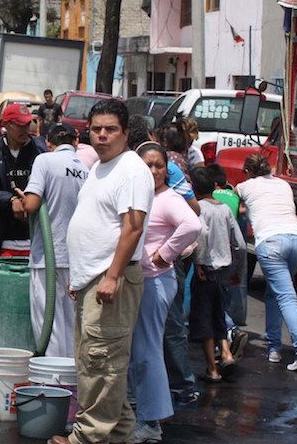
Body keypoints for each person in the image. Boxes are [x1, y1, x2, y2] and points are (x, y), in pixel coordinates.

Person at [49, 99, 154, 444]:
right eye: (96, 129)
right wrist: (80, 278)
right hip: (92, 280)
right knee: (97, 362)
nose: (103, 135)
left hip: (113, 280)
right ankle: (119, 432)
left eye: (110, 129)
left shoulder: (132, 169)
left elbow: (133, 228)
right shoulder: (99, 168)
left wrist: (111, 276)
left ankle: (87, 438)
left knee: (101, 364)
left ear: (125, 133)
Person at [129, 142, 200, 443]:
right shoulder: (141, 196)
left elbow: (193, 224)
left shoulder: (167, 198)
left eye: (159, 165)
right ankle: (141, 412)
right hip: (141, 281)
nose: (155, 171)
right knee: (139, 350)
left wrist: (166, 253)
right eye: (148, 165)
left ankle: (150, 421)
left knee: (147, 351)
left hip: (155, 281)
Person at [14, 123, 87, 358]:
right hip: (76, 258)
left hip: (48, 256)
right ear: (76, 142)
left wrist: (22, 200)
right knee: (70, 325)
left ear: (49, 143)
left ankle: (53, 385)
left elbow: (33, 204)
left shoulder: (45, 160)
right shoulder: (86, 169)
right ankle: (71, 384)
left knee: (50, 325)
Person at [237, 153, 297, 371]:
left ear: (248, 172)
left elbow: (233, 202)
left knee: (286, 297)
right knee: (274, 293)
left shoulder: (245, 186)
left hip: (271, 243)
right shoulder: (283, 184)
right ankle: (274, 348)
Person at [190, 167, 244, 384]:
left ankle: (212, 369)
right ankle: (227, 353)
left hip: (207, 271)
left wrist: (199, 262)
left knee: (204, 320)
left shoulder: (199, 208)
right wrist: (237, 270)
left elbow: (201, 233)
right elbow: (239, 243)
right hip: (223, 271)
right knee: (219, 315)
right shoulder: (225, 209)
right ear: (214, 186)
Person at [0, 103, 45, 257]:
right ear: (5, 124)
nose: (25, 130)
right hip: (1, 234)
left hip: (36, 234)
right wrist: (10, 199)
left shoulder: (41, 150)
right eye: (19, 125)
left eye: (27, 124)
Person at [207, 164, 249, 356]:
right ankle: (227, 333)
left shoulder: (212, 198)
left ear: (214, 184)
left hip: (213, 253)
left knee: (210, 301)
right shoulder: (234, 197)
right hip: (231, 254)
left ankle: (230, 331)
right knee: (223, 298)